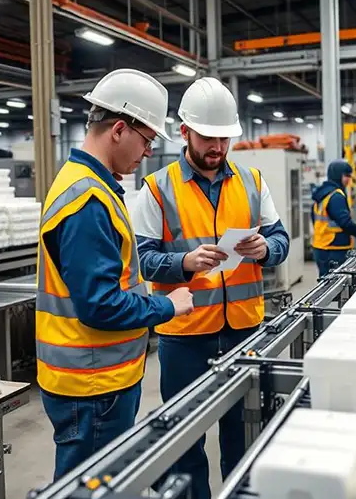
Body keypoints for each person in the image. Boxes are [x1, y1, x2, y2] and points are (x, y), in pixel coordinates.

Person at [134, 77, 290, 499]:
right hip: (184, 336)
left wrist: (266, 249)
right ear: (185, 131)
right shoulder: (157, 188)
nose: (218, 147)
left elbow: (281, 240)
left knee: (245, 434)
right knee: (186, 441)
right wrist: (183, 262)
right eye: (208, 137)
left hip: (244, 331)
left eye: (224, 137)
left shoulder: (252, 181)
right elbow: (142, 260)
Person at [36, 69, 195, 480]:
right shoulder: (88, 199)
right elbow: (99, 305)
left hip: (96, 378)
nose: (148, 153)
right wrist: (167, 306)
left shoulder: (92, 186)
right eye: (147, 140)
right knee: (93, 487)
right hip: (92, 384)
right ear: (120, 130)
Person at [311, 159, 356, 277]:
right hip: (333, 249)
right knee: (334, 282)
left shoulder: (323, 193)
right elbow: (345, 223)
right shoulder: (336, 196)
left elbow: (314, 217)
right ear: (338, 176)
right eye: (346, 175)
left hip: (322, 246)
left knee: (326, 280)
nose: (349, 179)